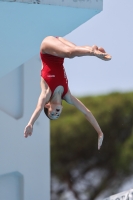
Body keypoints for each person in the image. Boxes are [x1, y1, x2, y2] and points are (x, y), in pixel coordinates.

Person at [24, 36, 112, 150]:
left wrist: (31, 123)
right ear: (61, 109)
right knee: (74, 50)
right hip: (59, 46)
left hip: (47, 48)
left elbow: (38, 108)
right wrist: (100, 132)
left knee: (70, 53)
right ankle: (93, 49)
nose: (56, 114)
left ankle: (92, 52)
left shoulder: (46, 93)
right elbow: (87, 112)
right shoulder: (67, 96)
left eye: (52, 114)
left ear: (47, 105)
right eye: (58, 115)